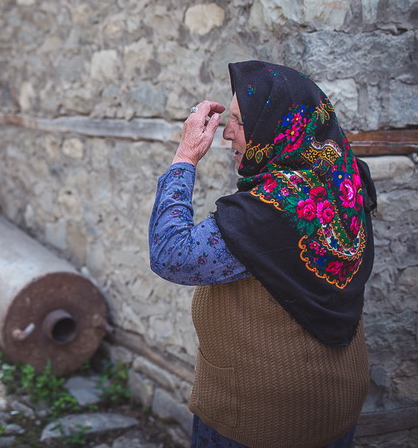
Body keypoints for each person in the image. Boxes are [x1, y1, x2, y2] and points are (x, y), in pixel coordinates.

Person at [148, 60, 377, 448]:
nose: (227, 134)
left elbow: (171, 254)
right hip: (338, 400)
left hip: (264, 419)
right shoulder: (346, 175)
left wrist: (185, 157)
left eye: (240, 121)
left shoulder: (269, 210)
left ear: (277, 126)